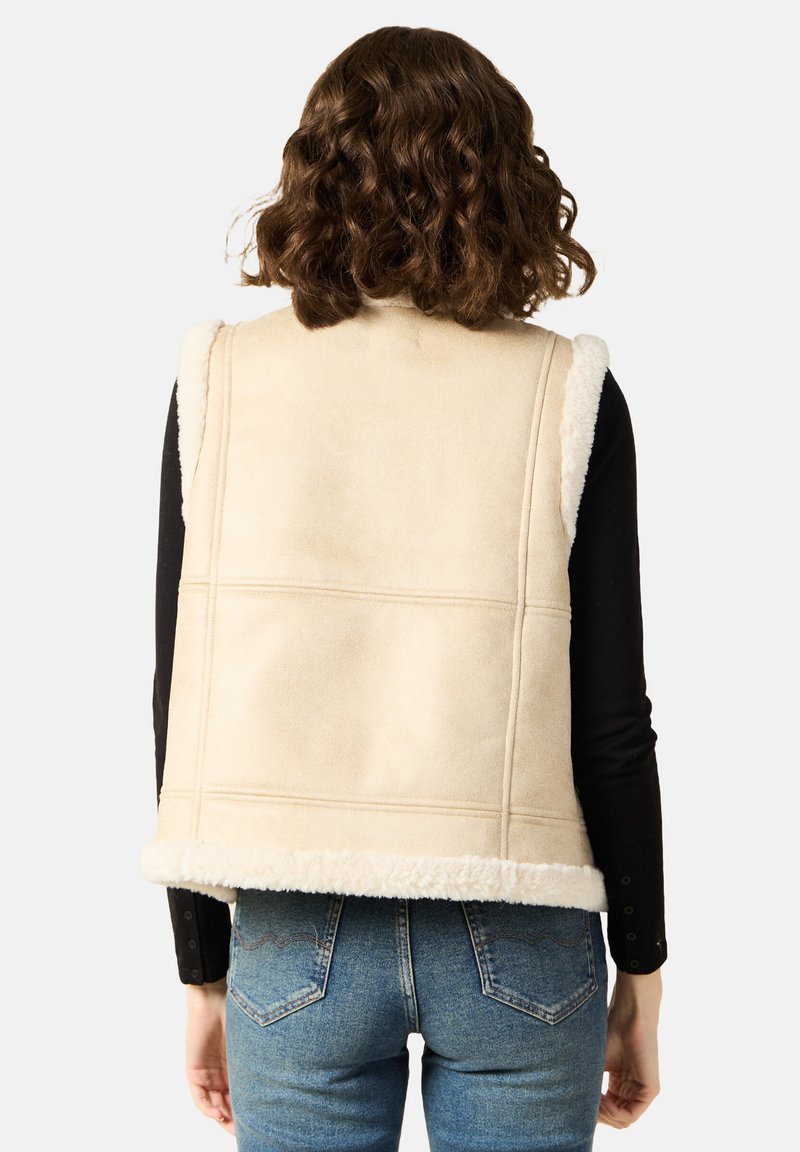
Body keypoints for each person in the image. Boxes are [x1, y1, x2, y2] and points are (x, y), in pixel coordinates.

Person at [140, 24, 667, 1152]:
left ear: (312, 177)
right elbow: (612, 717)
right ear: (507, 183)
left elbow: (183, 699)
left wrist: (202, 972)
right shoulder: (567, 390)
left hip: (294, 936)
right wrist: (644, 970)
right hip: (523, 929)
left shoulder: (220, 379)